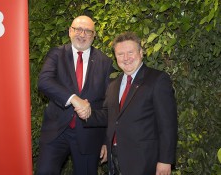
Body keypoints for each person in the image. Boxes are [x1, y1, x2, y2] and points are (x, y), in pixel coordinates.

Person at [88, 32, 178, 175]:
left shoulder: (157, 80)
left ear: (141, 53)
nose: (126, 58)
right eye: (120, 54)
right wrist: (88, 114)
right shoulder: (113, 85)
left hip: (144, 161)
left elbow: (168, 124)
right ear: (116, 57)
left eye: (130, 52)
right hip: (115, 159)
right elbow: (110, 117)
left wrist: (165, 160)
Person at [36, 15, 113, 175]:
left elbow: (108, 104)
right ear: (70, 31)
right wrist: (74, 99)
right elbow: (44, 81)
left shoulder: (105, 62)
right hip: (56, 131)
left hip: (89, 135)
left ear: (94, 36)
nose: (82, 34)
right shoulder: (56, 54)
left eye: (87, 31)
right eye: (78, 29)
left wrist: (107, 140)